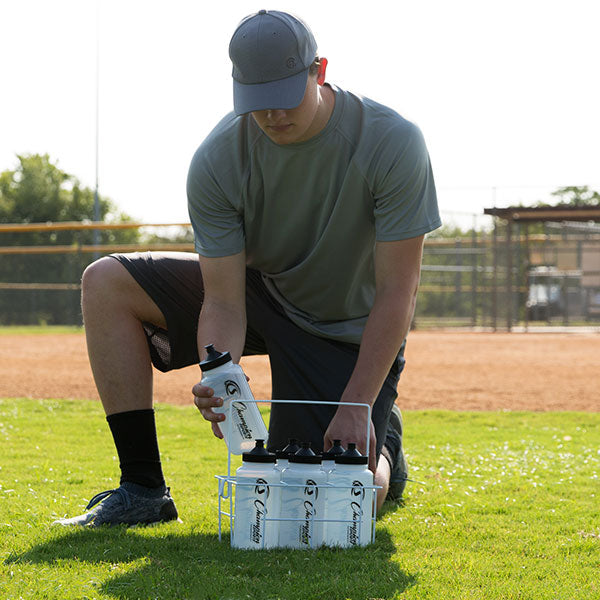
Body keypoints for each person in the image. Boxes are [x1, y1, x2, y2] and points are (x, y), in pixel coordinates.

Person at [54, 9, 441, 527]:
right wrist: (222, 374)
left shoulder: (393, 142)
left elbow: (398, 291)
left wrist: (356, 403)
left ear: (318, 71)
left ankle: (385, 441)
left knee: (329, 502)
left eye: (285, 96)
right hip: (262, 294)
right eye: (257, 102)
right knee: (105, 281)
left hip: (343, 332)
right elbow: (224, 299)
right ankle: (142, 487)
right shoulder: (217, 159)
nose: (273, 115)